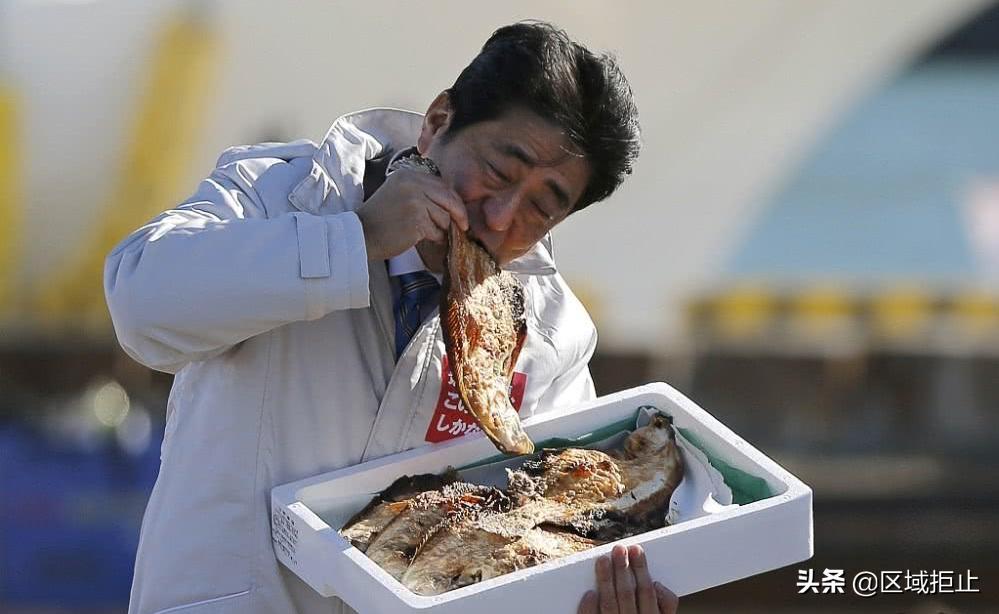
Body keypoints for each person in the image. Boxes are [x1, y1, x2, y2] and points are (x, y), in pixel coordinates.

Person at [105, 20, 677, 614]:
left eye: (541, 206)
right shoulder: (282, 195)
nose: (502, 218)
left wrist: (588, 596)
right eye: (499, 173)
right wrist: (354, 239)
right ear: (437, 122)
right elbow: (141, 306)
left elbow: (539, 536)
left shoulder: (553, 333)